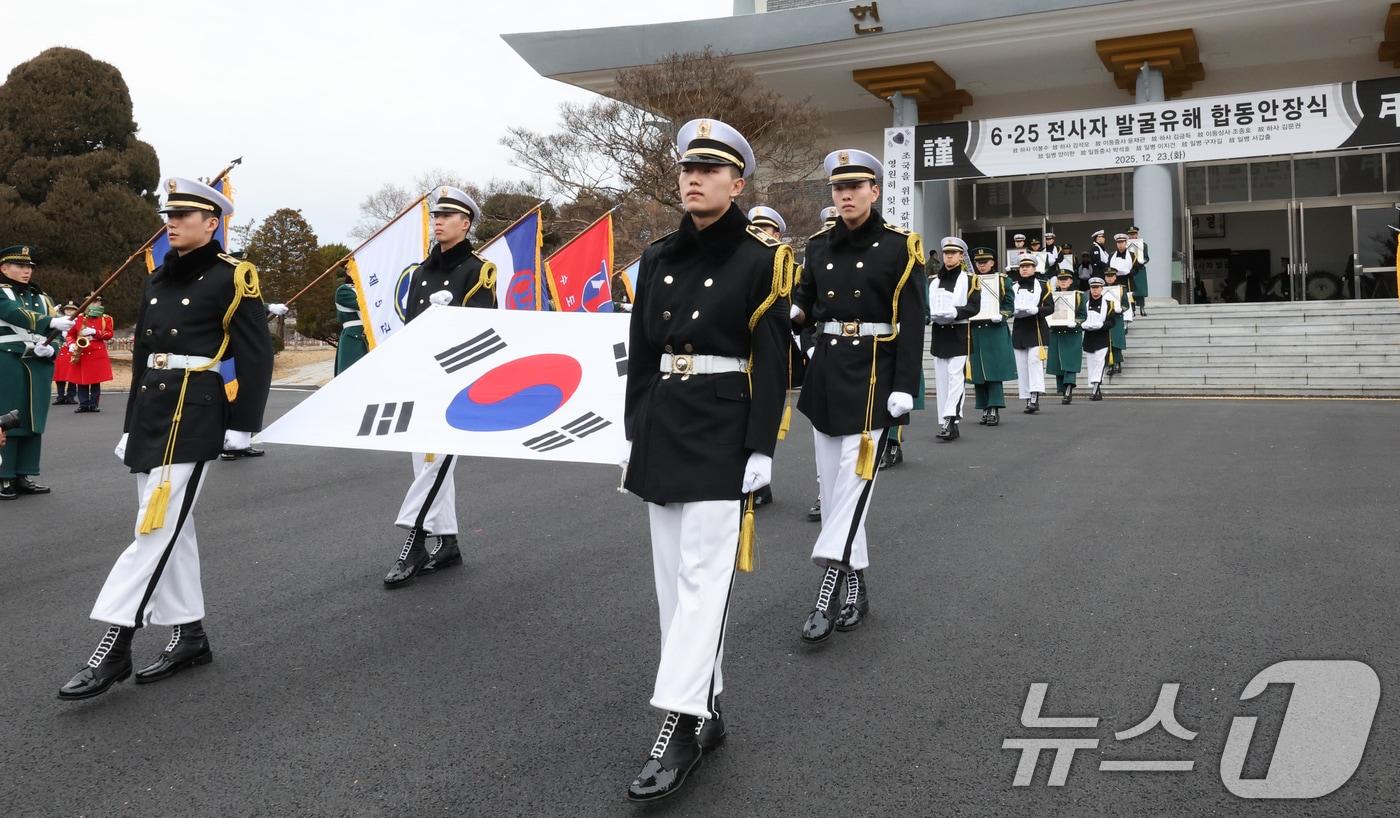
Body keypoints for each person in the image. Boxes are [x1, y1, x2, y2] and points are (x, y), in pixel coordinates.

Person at [621, 118, 792, 801]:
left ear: (737, 183)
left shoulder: (762, 260)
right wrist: (636, 429)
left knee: (704, 581)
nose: (693, 178)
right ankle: (707, 702)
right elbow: (642, 357)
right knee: (673, 585)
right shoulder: (658, 258)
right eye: (688, 169)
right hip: (665, 428)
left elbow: (773, 360)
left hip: (723, 431)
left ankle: (680, 724)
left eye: (710, 170)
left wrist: (761, 447)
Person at [58, 178, 273, 699]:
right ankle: (190, 635)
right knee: (171, 530)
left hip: (195, 414)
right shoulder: (155, 279)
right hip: (153, 413)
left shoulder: (234, 277)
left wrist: (243, 425)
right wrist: (129, 424)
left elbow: (255, 353)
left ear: (212, 222)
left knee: (154, 530)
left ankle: (114, 644)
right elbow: (146, 356)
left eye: (183, 216)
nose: (171, 223)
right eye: (169, 215)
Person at [791, 147, 924, 646]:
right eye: (837, 188)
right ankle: (858, 588)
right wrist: (796, 316)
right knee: (834, 493)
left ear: (874, 191)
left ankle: (826, 592)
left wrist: (906, 387)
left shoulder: (899, 247)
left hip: (873, 378)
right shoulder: (819, 246)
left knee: (853, 489)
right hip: (827, 372)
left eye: (855, 187)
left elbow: (913, 321)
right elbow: (806, 296)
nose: (845, 195)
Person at [382, 186, 498, 587]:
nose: (438, 222)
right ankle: (446, 542)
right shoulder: (419, 273)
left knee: (434, 465)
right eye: (435, 216)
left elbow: (482, 334)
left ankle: (414, 540)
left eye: (447, 217)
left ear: (465, 224)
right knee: (426, 465)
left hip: (455, 386)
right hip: (420, 380)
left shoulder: (477, 271)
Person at [0, 245, 73, 500]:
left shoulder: (43, 298)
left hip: (38, 365)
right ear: (4, 268)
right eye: (19, 266)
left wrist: (52, 349)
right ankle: (3, 476)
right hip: (8, 363)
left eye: (29, 267)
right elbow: (12, 314)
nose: (26, 271)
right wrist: (49, 322)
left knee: (33, 420)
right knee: (7, 420)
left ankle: (23, 474)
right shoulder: (2, 294)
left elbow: (57, 336)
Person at [745, 204, 792, 507]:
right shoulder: (742, 258)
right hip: (740, 343)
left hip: (770, 339)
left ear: (777, 233)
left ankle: (761, 479)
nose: (760, 233)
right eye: (755, 227)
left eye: (767, 229)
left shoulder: (782, 261)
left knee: (762, 405)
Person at [928, 236, 981, 441]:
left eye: (954, 253)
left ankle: (951, 418)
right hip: (940, 333)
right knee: (942, 380)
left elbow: (974, 306)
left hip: (960, 333)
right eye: (946, 253)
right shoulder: (933, 280)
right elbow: (926, 306)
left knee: (955, 377)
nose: (949, 256)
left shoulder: (970, 279)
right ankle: (945, 421)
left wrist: (955, 313)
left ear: (961, 256)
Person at [966, 247, 1015, 426]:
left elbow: (1009, 304)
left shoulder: (1002, 280)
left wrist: (1002, 315)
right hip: (975, 329)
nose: (982, 265)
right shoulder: (969, 280)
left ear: (993, 262)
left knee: (993, 371)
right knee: (978, 372)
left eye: (985, 262)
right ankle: (984, 407)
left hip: (994, 328)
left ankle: (994, 407)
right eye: (979, 262)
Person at [1010, 254, 1053, 414]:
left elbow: (1050, 308)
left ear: (1034, 268)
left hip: (1036, 329)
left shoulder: (1042, 285)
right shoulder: (1013, 286)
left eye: (1028, 266)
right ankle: (1028, 397)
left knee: (1034, 363)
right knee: (1022, 366)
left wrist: (1037, 310)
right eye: (1022, 267)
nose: (1025, 269)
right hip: (1020, 329)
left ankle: (1035, 396)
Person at [66, 296, 115, 413]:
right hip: (81, 352)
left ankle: (93, 404)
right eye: (92, 302)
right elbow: (70, 334)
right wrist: (71, 344)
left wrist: (95, 332)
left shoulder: (105, 318)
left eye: (97, 302)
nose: (95, 304)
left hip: (96, 352)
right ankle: (83, 404)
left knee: (95, 380)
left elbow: (109, 334)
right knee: (81, 380)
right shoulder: (78, 318)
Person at [1046, 270, 1086, 403]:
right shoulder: (1050, 295)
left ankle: (1068, 388)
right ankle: (1062, 389)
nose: (1063, 281)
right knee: (1057, 363)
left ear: (1071, 281)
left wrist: (1075, 322)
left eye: (1066, 279)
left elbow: (1083, 315)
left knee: (1070, 362)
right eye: (1060, 279)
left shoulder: (1079, 296)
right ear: (1057, 281)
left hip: (1071, 333)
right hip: (1056, 332)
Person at [1082, 277, 1117, 401]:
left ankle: (1095, 388)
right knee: (1091, 364)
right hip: (1089, 337)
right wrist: (1083, 324)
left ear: (1102, 288)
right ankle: (1097, 390)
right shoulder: (1085, 303)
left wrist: (1102, 325)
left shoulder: (1109, 304)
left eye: (1097, 287)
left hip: (1102, 337)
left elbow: (1112, 322)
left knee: (1099, 362)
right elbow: (1080, 317)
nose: (1095, 290)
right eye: (1093, 288)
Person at [334, 268, 368, 375]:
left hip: (369, 335)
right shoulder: (343, 291)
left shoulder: (366, 288)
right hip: (354, 337)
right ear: (348, 272)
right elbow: (363, 305)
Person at [1102, 266, 1134, 375]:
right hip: (1105, 319)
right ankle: (1109, 364)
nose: (1109, 278)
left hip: (1117, 318)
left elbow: (1126, 304)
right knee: (1107, 342)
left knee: (1116, 342)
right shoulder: (1101, 289)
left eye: (1111, 276)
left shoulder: (1121, 289)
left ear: (1115, 277)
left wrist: (1121, 309)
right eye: (1107, 276)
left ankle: (1117, 363)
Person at [52, 300, 80, 405]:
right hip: (61, 350)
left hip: (72, 349)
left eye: (72, 309)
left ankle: (70, 396)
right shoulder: (58, 320)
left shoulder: (78, 321)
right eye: (68, 309)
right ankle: (60, 396)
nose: (69, 311)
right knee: (59, 375)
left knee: (72, 374)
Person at [1127, 225, 1149, 316]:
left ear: (1137, 234)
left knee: (1141, 290)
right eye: (1130, 234)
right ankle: (1132, 309)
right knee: (1131, 291)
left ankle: (1142, 308)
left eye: (1134, 234)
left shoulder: (1143, 245)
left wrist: (1142, 261)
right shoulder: (1126, 245)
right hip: (1130, 270)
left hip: (1140, 269)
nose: (1132, 236)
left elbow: (1147, 258)